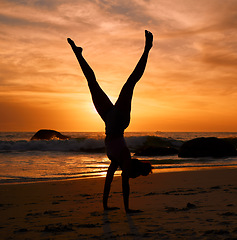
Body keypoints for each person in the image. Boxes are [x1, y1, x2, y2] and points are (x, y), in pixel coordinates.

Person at [67, 30, 153, 213]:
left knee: (91, 82)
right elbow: (124, 187)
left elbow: (108, 182)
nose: (126, 175)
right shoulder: (124, 157)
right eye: (129, 173)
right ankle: (147, 49)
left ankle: (78, 53)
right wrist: (127, 209)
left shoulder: (115, 162)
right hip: (120, 121)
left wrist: (105, 205)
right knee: (130, 83)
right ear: (132, 169)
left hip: (108, 119)